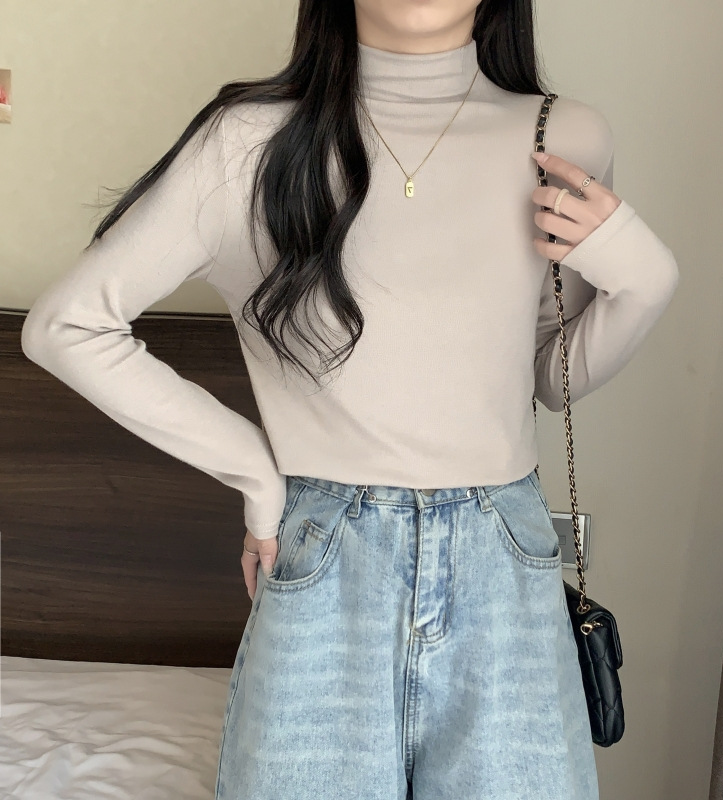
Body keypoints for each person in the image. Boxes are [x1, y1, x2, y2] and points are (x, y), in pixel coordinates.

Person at [20, 0, 679, 798]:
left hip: (503, 562)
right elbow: (67, 325)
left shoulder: (564, 136)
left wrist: (648, 281)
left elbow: (548, 372)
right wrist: (256, 473)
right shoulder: (249, 141)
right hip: (323, 554)